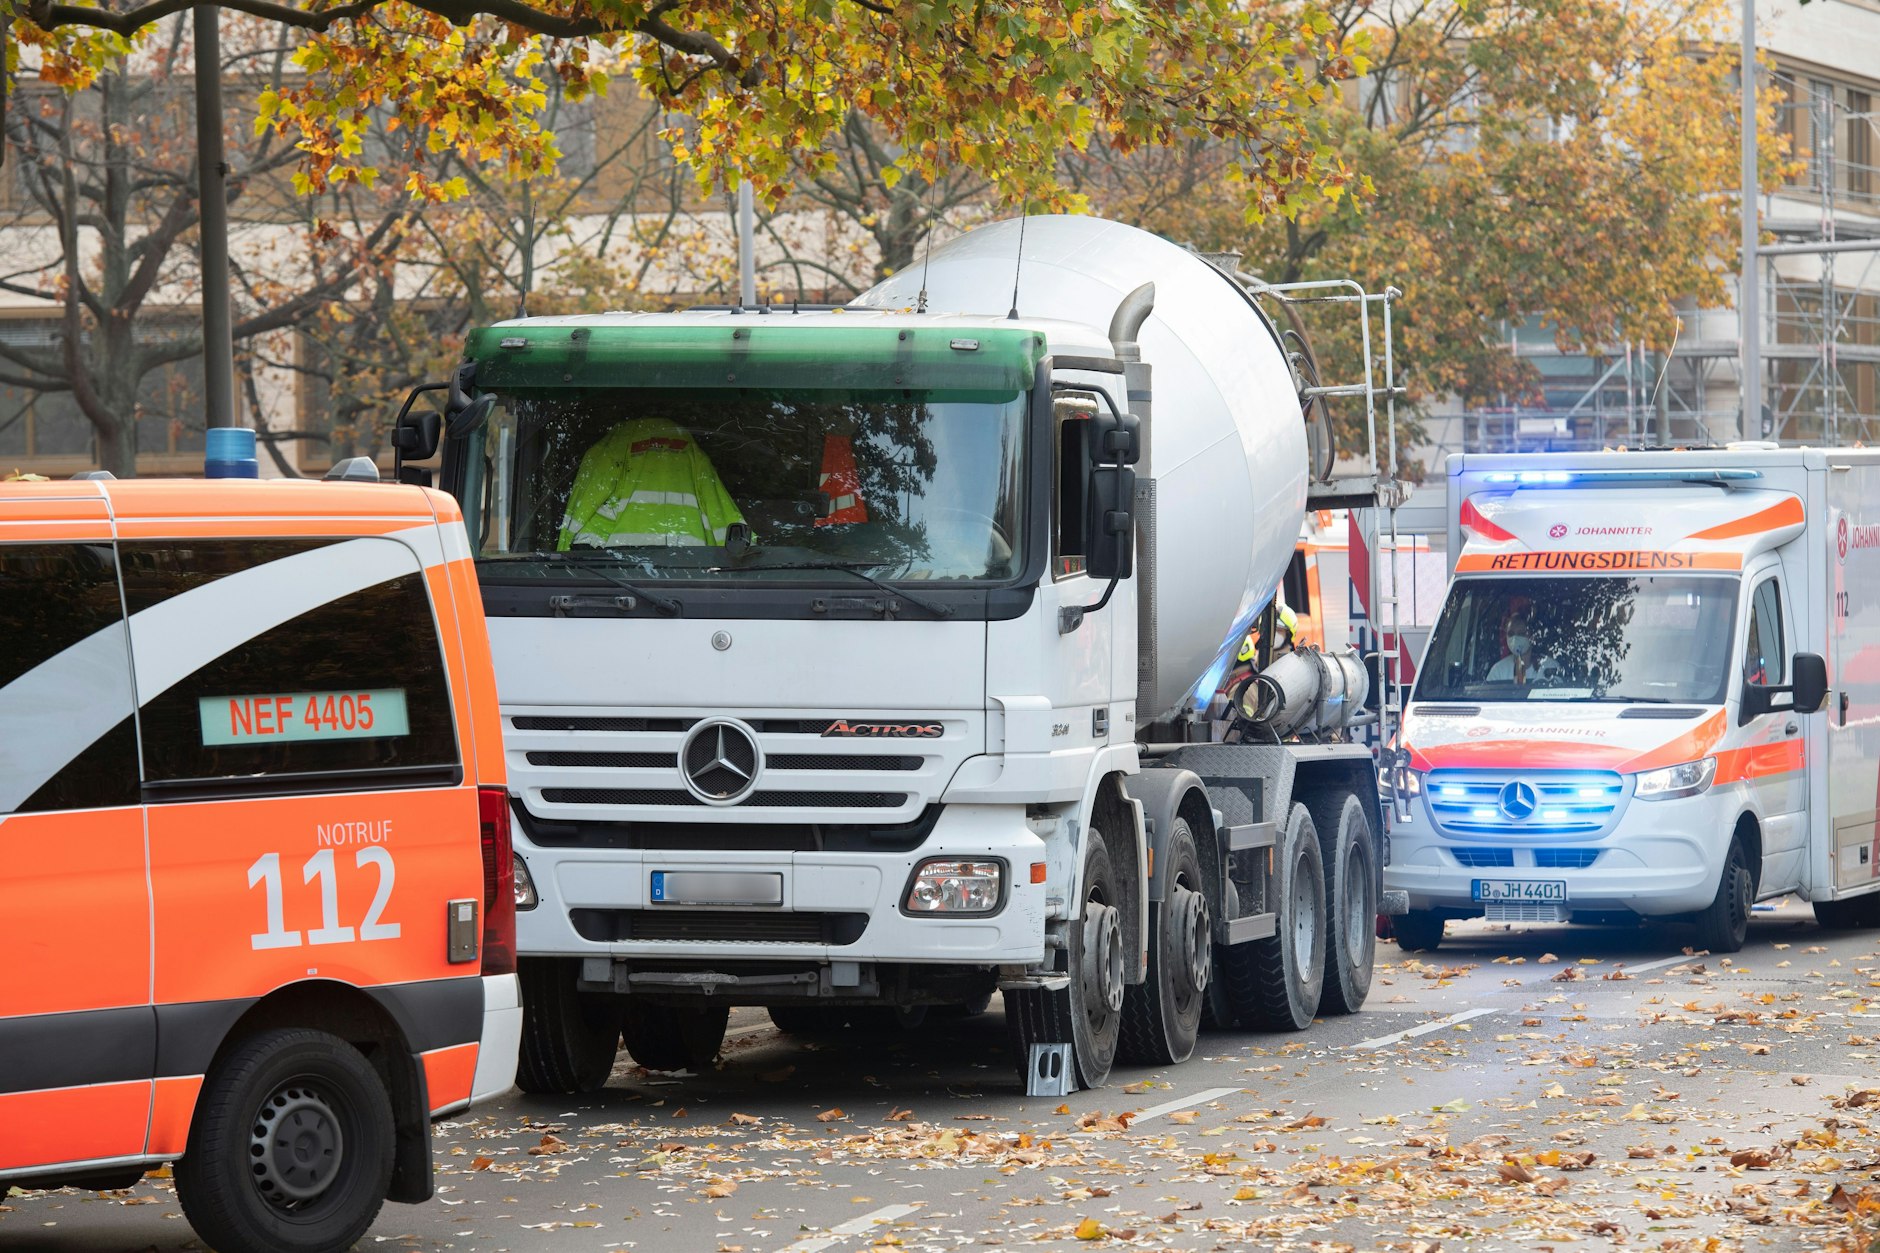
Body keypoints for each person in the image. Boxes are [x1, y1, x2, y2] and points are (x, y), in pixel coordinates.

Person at [557, 417, 747, 550]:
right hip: (688, 578)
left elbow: (582, 507)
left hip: (617, 580)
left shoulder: (614, 443)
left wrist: (561, 561)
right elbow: (721, 512)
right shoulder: (690, 448)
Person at [1486, 613, 1556, 684]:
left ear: (1532, 636)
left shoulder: (1550, 666)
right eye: (1511, 634)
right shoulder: (1498, 671)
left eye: (1521, 634)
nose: (1515, 638)